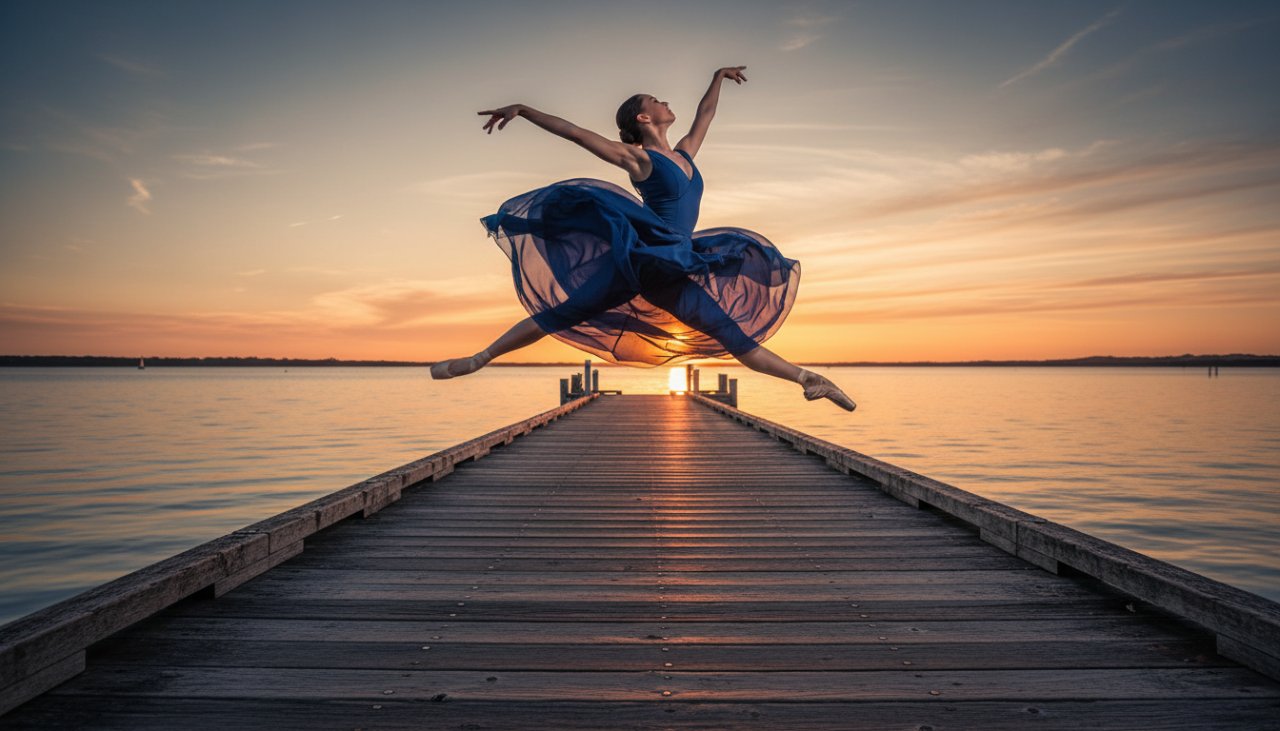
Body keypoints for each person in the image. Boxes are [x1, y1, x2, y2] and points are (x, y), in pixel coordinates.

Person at [432, 66, 855, 411]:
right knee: (563, 313)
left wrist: (717, 77)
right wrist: (523, 109)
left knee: (724, 334)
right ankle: (478, 360)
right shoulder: (638, 159)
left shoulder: (685, 153)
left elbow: (705, 115)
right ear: (643, 118)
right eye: (656, 99)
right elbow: (577, 133)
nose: (666, 101)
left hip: (673, 264)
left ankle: (808, 379)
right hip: (647, 257)